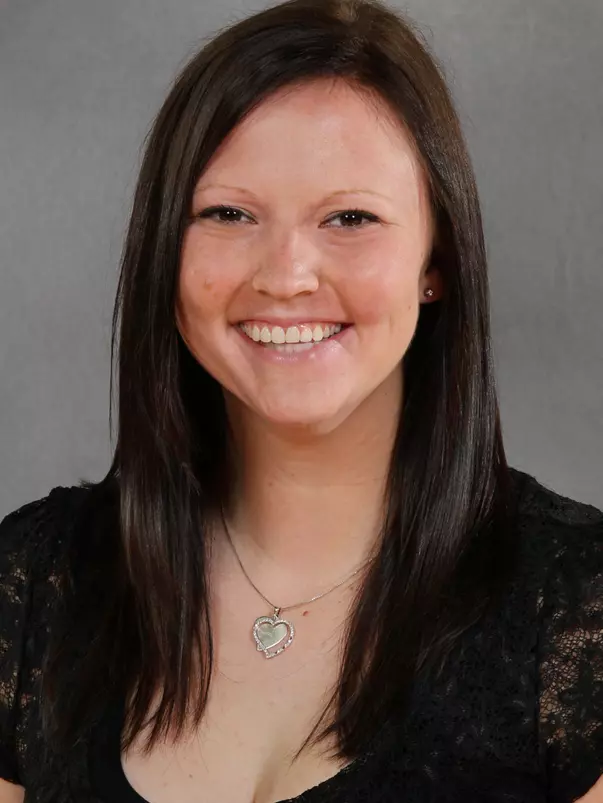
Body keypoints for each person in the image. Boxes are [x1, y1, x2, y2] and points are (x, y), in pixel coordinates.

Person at [1, 0, 602, 800]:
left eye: (350, 216)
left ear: (437, 261)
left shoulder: (574, 610)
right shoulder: (35, 583)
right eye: (228, 213)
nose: (285, 275)